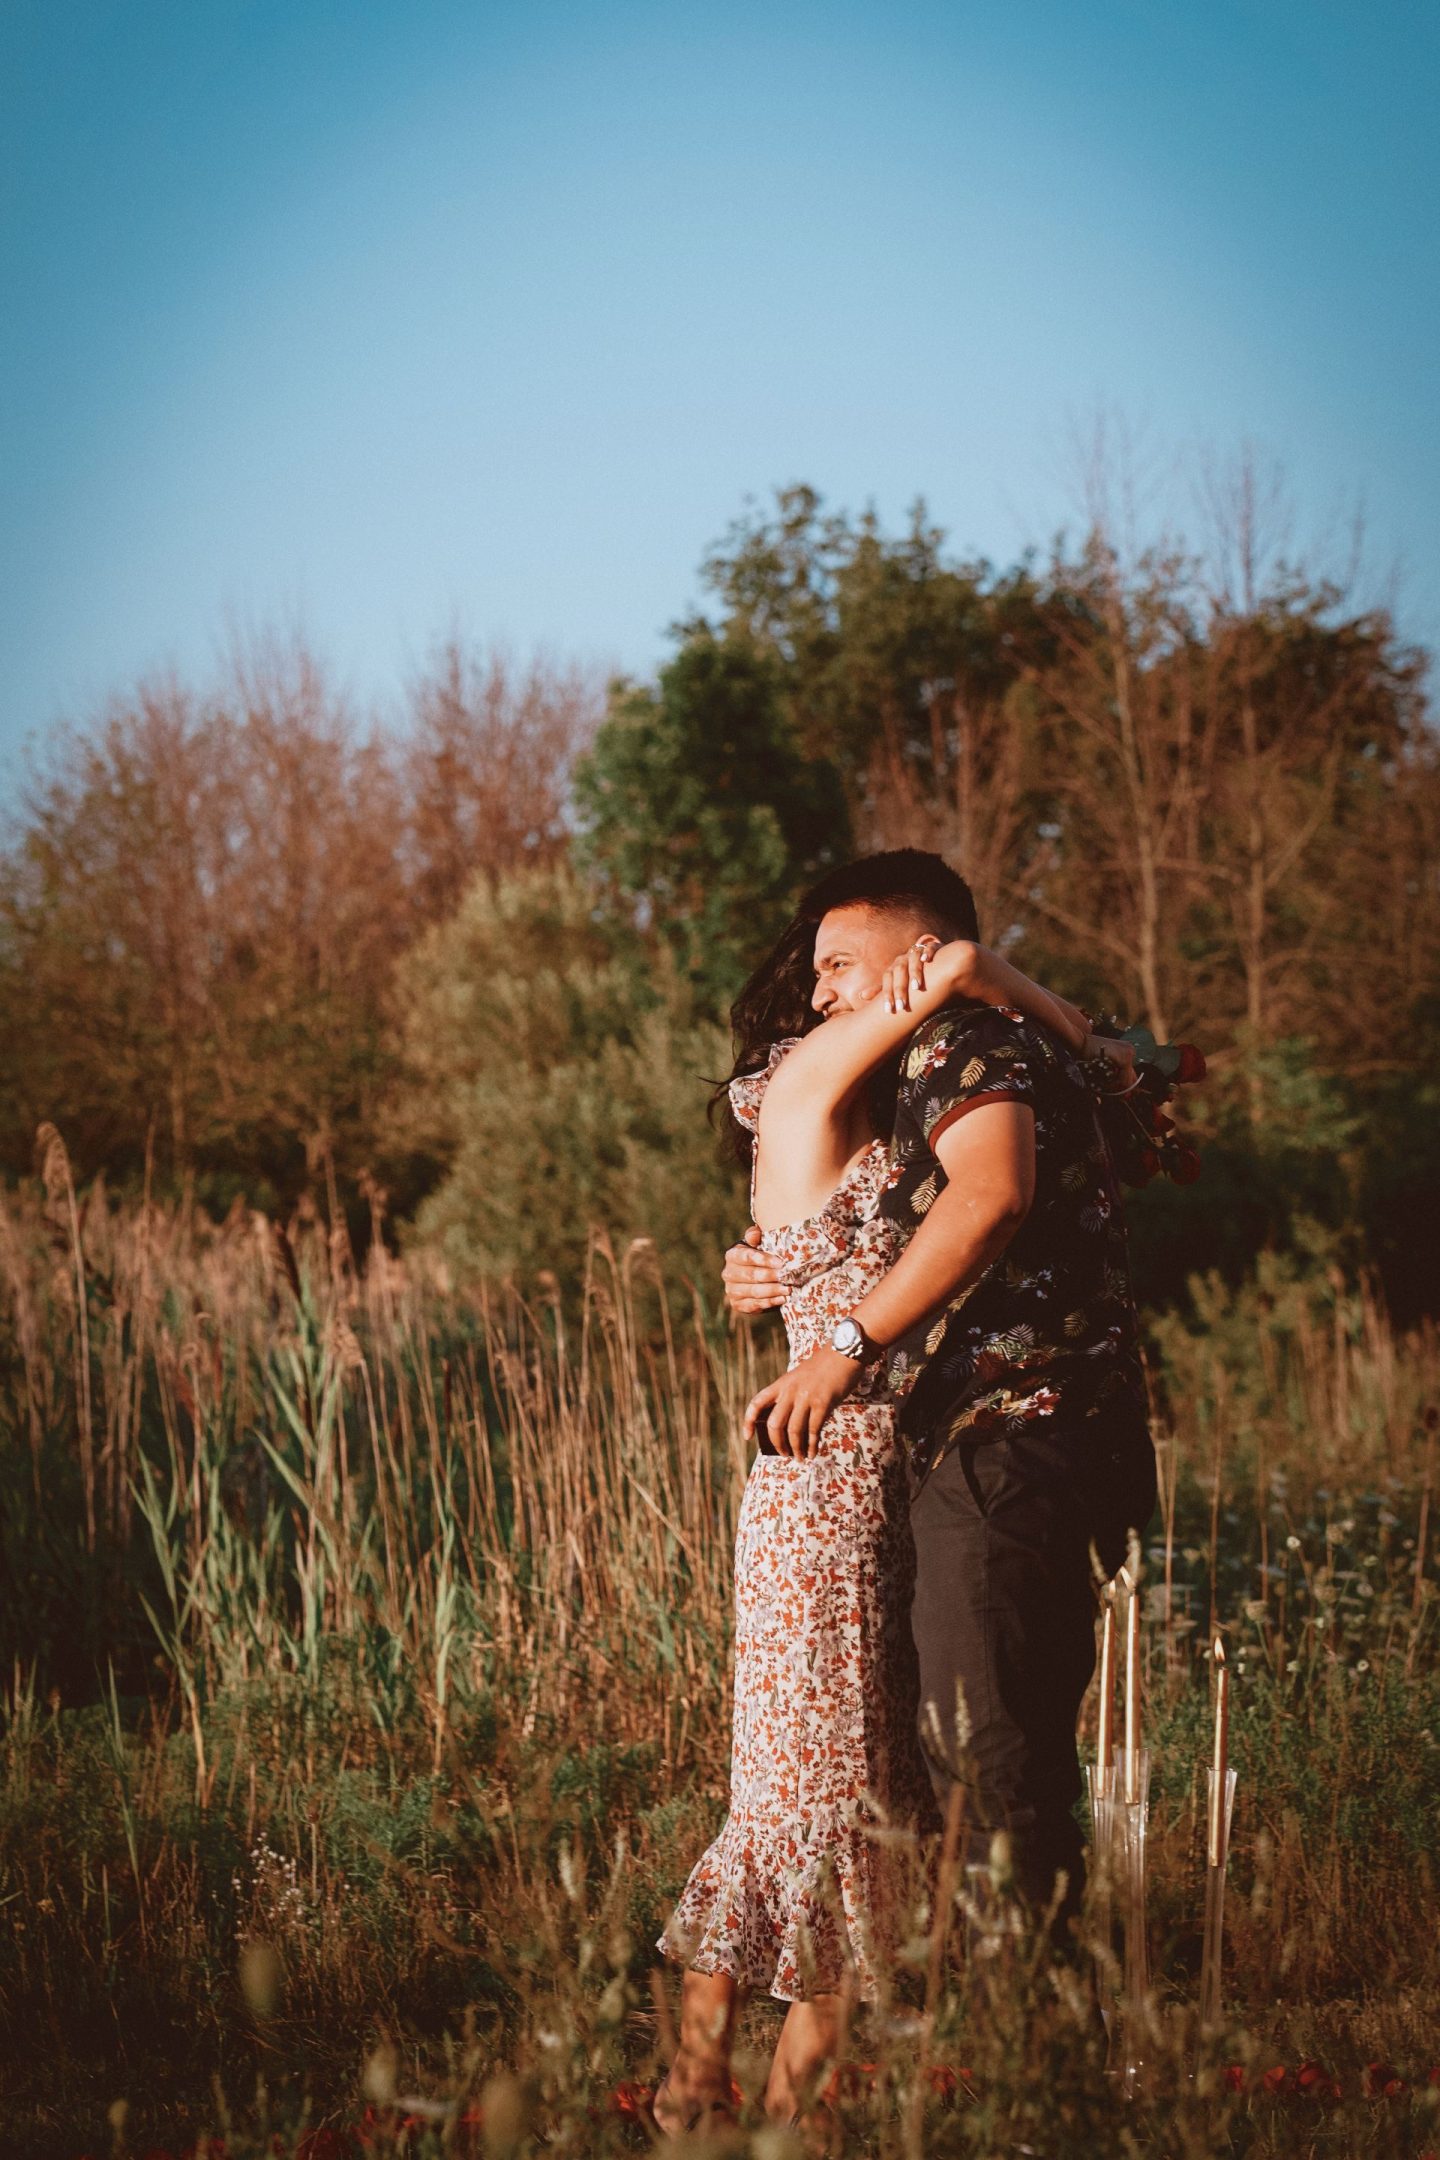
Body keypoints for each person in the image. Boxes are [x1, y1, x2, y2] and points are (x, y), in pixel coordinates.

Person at [653, 853, 1132, 2135]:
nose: (818, 997)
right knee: (802, 1796)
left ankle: (788, 2110)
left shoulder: (905, 1107)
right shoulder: (808, 1084)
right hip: (824, 1478)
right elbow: (961, 982)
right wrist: (983, 970)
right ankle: (696, 2085)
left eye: (840, 970)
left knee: (876, 1805)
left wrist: (990, 985)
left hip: (897, 1466)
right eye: (810, 974)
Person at [728, 850, 1157, 1947]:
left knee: (980, 1758)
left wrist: (840, 1342)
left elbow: (994, 1199)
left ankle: (1025, 2057)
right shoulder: (957, 1061)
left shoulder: (966, 1045)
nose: (818, 992)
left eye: (839, 964)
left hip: (1000, 1427)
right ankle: (982, 2039)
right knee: (929, 1761)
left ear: (913, 954)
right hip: (939, 1446)